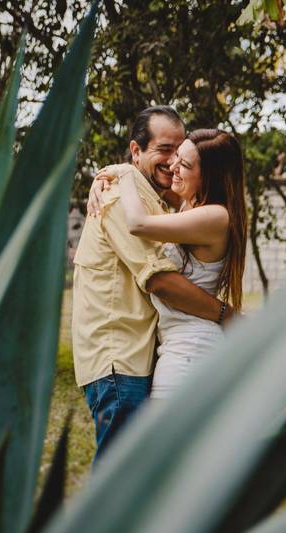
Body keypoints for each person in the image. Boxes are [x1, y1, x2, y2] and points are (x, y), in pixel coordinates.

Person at [72, 107, 229, 464]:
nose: (173, 160)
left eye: (180, 151)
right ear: (136, 150)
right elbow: (158, 279)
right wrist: (226, 314)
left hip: (146, 358)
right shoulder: (117, 200)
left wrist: (115, 172)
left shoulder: (151, 200)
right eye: (164, 149)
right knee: (119, 481)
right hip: (118, 358)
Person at [88, 128, 247, 400]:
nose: (173, 166)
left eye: (184, 164)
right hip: (182, 349)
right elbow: (149, 185)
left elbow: (138, 224)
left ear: (209, 176)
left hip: (189, 354)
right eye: (176, 157)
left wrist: (124, 171)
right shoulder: (192, 206)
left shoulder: (215, 216)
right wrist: (102, 179)